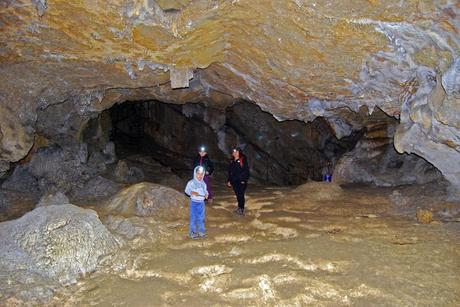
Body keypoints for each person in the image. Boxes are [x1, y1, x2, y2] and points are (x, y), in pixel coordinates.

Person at [184, 166, 209, 239]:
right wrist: (192, 192)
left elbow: (205, 190)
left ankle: (201, 231)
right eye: (198, 174)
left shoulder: (203, 183)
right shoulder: (191, 182)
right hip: (194, 203)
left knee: (201, 218)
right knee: (193, 217)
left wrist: (206, 194)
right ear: (195, 174)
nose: (200, 176)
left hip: (201, 203)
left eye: (201, 174)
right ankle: (193, 233)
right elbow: (186, 191)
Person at [227, 146, 250, 216]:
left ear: (239, 152)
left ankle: (241, 209)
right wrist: (229, 180)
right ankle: (239, 207)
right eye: (234, 152)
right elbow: (230, 172)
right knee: (238, 195)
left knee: (241, 195)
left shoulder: (243, 160)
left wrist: (243, 179)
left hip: (241, 181)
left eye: (237, 152)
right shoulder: (232, 161)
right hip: (234, 181)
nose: (235, 153)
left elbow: (246, 171)